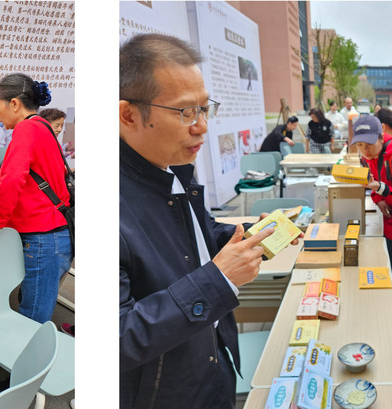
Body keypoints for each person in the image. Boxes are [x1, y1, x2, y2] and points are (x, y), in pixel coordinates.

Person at [118, 33, 294, 409]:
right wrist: (218, 278)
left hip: (212, 363)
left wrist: (247, 237)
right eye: (185, 112)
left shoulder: (174, 166)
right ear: (129, 115)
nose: (201, 126)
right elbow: (118, 338)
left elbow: (195, 235)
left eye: (204, 108)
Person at [0, 73, 72, 324]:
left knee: (32, 319)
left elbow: (11, 181)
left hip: (43, 237)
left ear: (14, 104)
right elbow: (26, 185)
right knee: (32, 307)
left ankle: (27, 351)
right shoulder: (42, 127)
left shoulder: (26, 129)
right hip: (52, 234)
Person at [360, 112, 392, 302]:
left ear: (381, 136)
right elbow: (374, 184)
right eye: (360, 145)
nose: (365, 150)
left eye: (369, 144)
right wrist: (378, 198)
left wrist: (380, 189)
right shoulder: (367, 157)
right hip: (387, 222)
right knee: (388, 267)